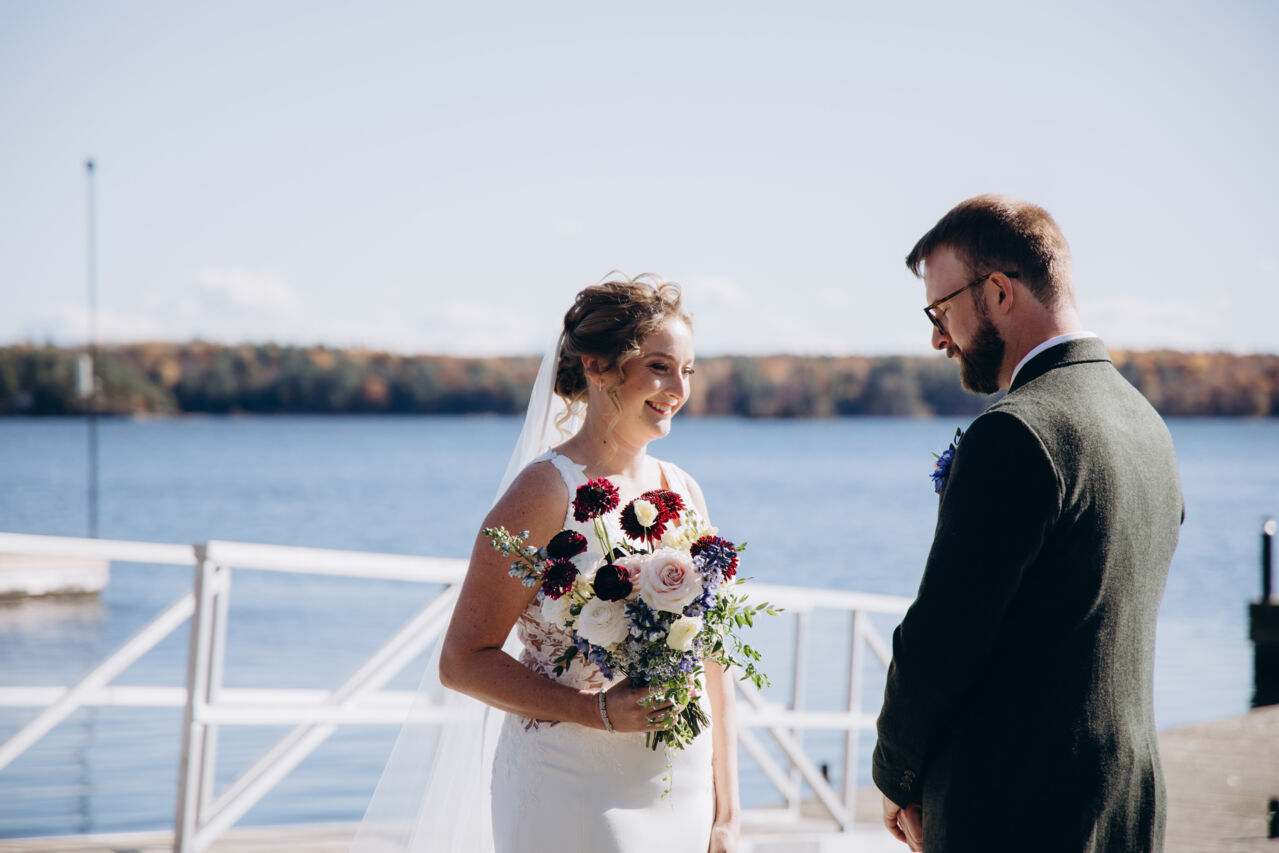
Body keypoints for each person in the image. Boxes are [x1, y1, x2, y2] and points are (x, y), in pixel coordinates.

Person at [355, 273, 740, 853]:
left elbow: (713, 659)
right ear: (598, 367)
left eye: (687, 370)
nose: (678, 390)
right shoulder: (544, 491)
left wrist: (728, 811)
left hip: (680, 784)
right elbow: (461, 661)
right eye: (660, 366)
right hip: (572, 783)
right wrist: (595, 710)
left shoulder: (684, 490)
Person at [872, 195, 1183, 853]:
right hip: (1126, 807)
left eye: (940, 311)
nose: (937, 338)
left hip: (1017, 810)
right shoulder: (1146, 424)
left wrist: (896, 774)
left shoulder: (1015, 431)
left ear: (997, 292)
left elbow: (941, 637)